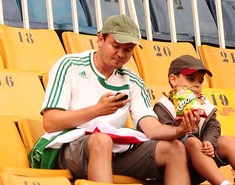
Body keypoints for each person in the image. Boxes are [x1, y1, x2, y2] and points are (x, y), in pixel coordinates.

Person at [29, 14, 199, 184]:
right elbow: (50, 122)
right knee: (102, 140)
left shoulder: (133, 80)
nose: (121, 54)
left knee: (174, 148)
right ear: (100, 39)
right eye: (116, 46)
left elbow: (151, 128)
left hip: (113, 150)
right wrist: (97, 110)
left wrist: (180, 130)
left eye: (128, 50)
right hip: (68, 147)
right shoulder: (70, 65)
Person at [154, 55, 235, 185]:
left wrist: (209, 142)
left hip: (203, 163)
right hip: (177, 166)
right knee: (193, 142)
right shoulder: (163, 106)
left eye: (200, 81)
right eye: (190, 79)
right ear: (173, 79)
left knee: (227, 140)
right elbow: (165, 137)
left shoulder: (203, 102)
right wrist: (183, 129)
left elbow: (213, 126)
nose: (196, 85)